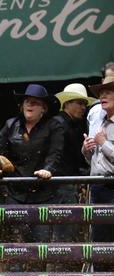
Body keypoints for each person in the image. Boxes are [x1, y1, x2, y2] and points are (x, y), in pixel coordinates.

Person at [0, 84, 63, 243]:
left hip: (43, 193)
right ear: (22, 105)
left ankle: (38, 268)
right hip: (15, 192)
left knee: (40, 241)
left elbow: (55, 154)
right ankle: (14, 268)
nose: (29, 105)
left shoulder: (54, 126)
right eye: (27, 101)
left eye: (35, 102)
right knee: (16, 240)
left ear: (43, 108)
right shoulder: (10, 125)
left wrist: (48, 170)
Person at [51, 83, 94, 242]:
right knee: (64, 233)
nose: (83, 107)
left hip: (65, 184)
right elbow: (59, 158)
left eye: (84, 104)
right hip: (62, 186)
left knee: (65, 232)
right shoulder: (60, 125)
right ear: (67, 103)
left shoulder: (67, 124)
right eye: (79, 103)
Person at [82, 74, 114, 242]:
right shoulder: (98, 122)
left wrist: (103, 143)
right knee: (100, 239)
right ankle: (102, 269)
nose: (102, 96)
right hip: (98, 187)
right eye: (101, 93)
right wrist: (86, 149)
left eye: (108, 92)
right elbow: (92, 161)